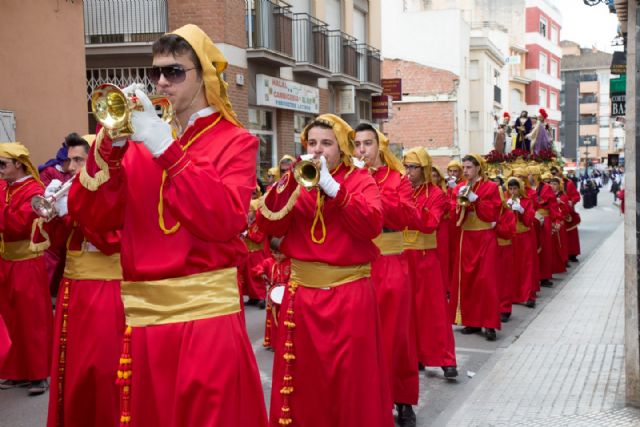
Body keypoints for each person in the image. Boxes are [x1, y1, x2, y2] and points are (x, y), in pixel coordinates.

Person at [68, 24, 268, 426]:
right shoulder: (140, 139)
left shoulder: (236, 140)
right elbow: (93, 221)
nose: (161, 81)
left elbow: (224, 219)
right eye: (156, 72)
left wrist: (165, 147)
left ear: (205, 77)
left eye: (175, 72)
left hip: (205, 321)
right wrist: (113, 147)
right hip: (143, 324)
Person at [257, 114, 392, 427]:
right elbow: (267, 224)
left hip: (349, 297)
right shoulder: (298, 182)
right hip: (302, 298)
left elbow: (371, 225)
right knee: (304, 380)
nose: (318, 151)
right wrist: (288, 181)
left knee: (351, 380)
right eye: (312, 143)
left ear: (341, 148)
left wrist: (335, 190)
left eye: (326, 144)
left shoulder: (360, 180)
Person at [43, 135, 125, 427]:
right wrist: (53, 216)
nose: (71, 167)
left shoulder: (116, 191)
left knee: (103, 369)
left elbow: (113, 241)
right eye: (70, 160)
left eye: (79, 160)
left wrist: (78, 210)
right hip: (73, 290)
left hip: (106, 289)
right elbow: (58, 246)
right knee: (72, 370)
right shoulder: (74, 190)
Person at [353, 123, 419, 426]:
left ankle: (403, 400)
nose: (362, 150)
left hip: (390, 262)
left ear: (379, 146)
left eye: (368, 143)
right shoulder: (349, 179)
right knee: (360, 340)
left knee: (396, 336)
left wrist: (373, 190)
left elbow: (408, 216)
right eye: (357, 144)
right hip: (357, 266)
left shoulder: (398, 179)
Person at [0, 142, 53, 395]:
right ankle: (14, 371)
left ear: (18, 164)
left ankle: (38, 373)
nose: (0, 170)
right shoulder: (3, 187)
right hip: (5, 261)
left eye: (3, 164)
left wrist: (4, 214)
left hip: (27, 262)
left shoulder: (34, 189)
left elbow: (18, 223)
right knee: (10, 319)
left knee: (32, 320)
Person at [402, 147, 458, 379]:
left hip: (426, 259)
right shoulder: (403, 190)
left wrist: (407, 209)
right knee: (407, 312)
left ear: (424, 169)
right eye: (406, 167)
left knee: (434, 311)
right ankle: (415, 356)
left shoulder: (436, 193)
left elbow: (429, 223)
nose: (408, 172)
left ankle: (446, 359)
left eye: (413, 167)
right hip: (404, 257)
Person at [450, 154, 501, 341]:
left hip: (484, 236)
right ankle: (471, 320)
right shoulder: (459, 188)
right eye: (463, 167)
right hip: (467, 237)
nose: (465, 171)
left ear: (478, 168)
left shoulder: (491, 187)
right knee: (468, 280)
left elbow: (492, 214)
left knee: (486, 280)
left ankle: (489, 323)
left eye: (469, 167)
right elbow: (454, 215)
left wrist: (476, 200)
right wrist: (457, 203)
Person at [506, 176, 539, 308]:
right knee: (512, 266)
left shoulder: (526, 201)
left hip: (524, 236)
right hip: (511, 237)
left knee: (526, 266)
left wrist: (521, 210)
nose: (513, 191)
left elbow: (529, 220)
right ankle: (513, 295)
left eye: (515, 188)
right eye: (511, 188)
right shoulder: (505, 200)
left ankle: (528, 295)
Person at [253, 237, 290, 350]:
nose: (277, 256)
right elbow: (257, 268)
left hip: (287, 296)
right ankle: (274, 342)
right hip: (273, 297)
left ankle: (284, 342)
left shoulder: (291, 263)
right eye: (274, 253)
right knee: (273, 320)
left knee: (285, 320)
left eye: (280, 254)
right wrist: (262, 273)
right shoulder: (269, 262)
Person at [528, 165, 559, 288]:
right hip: (530, 219)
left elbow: (553, 204)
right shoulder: (526, 187)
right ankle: (533, 276)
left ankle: (545, 276)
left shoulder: (546, 188)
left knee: (545, 249)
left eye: (530, 174)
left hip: (544, 220)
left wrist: (556, 219)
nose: (529, 176)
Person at [241, 188, 269, 309]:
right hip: (248, 252)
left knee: (257, 275)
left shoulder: (259, 222)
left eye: (250, 211)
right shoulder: (249, 222)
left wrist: (246, 233)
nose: (248, 213)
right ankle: (252, 297)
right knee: (248, 276)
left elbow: (258, 237)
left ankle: (261, 297)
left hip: (257, 253)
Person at [550, 166, 581, 262]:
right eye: (551, 172)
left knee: (571, 235)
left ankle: (572, 253)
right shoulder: (549, 185)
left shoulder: (568, 183)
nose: (553, 174)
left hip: (567, 212)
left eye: (555, 172)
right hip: (556, 213)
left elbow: (576, 196)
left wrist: (571, 201)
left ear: (559, 172)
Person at [432, 166, 451, 288]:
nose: (432, 178)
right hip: (429, 229)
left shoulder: (443, 192)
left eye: (435, 176)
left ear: (439, 178)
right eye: (431, 175)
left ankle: (444, 285)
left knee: (442, 256)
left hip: (442, 227)